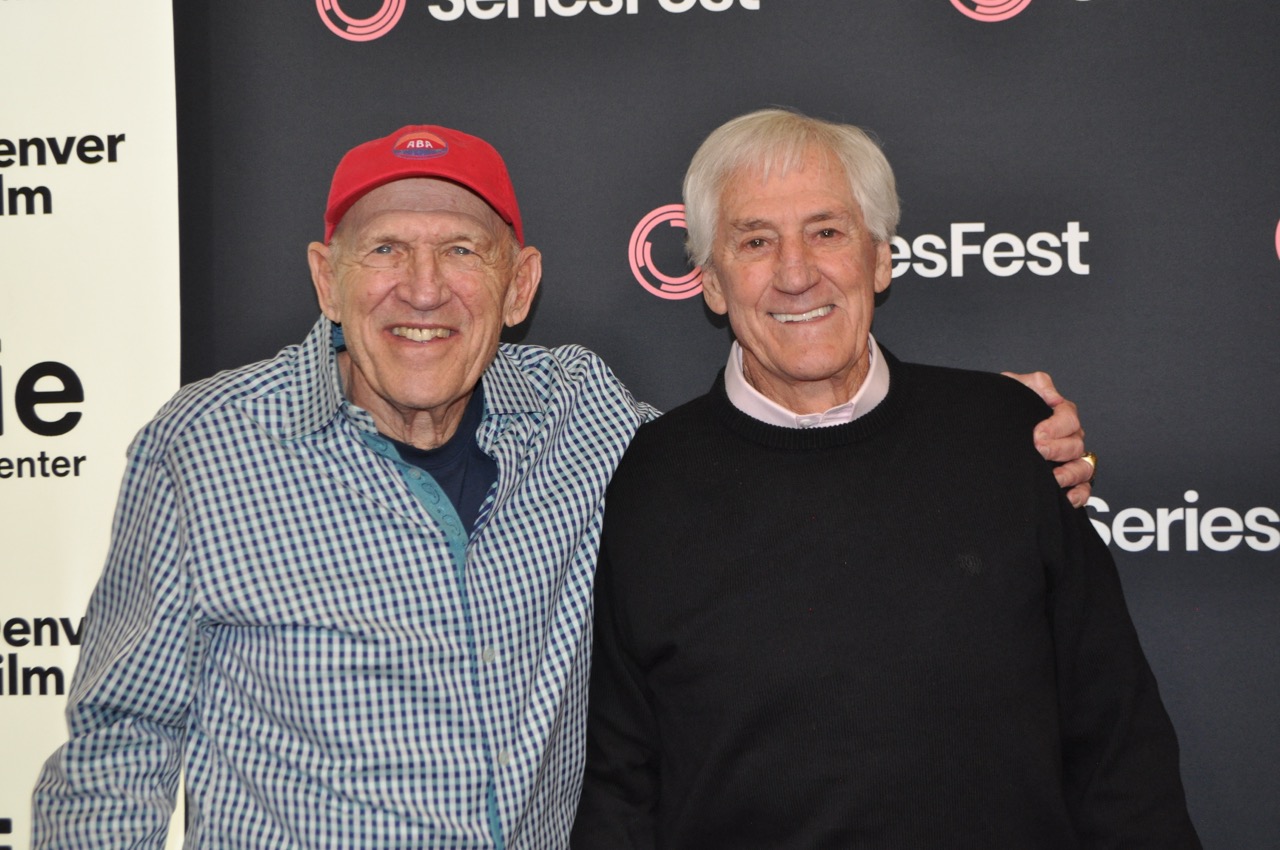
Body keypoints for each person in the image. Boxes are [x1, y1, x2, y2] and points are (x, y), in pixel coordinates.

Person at [31, 123, 1092, 849]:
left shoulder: (584, 414)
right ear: (326, 278)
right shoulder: (204, 449)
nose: (421, 289)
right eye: (384, 249)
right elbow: (121, 742)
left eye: (462, 250)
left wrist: (979, 433)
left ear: (519, 284)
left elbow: (769, 455)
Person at [572, 109, 1200, 849]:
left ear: (879, 260)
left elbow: (1118, 744)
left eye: (826, 232)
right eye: (756, 241)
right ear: (710, 282)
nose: (796, 272)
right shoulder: (653, 476)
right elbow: (622, 782)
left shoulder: (1006, 436)